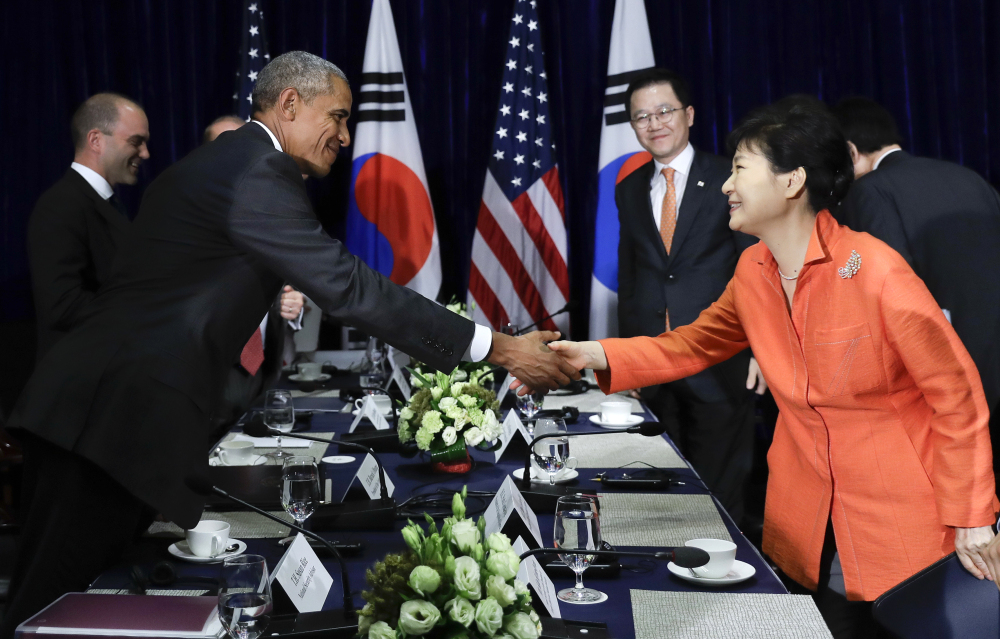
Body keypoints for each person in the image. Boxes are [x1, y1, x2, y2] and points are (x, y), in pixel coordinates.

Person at [1, 51, 578, 635]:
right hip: (102, 423)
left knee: (93, 607)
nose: (346, 137)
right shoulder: (256, 171)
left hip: (119, 422)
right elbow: (349, 287)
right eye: (339, 116)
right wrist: (498, 348)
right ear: (290, 104)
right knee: (46, 608)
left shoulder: (225, 164)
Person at [537, 98, 997, 638]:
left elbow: (957, 395)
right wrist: (596, 354)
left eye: (739, 168)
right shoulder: (753, 268)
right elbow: (692, 344)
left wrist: (972, 515)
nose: (727, 185)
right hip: (807, 510)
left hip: (898, 515)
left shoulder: (875, 269)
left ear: (792, 181)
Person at [615, 68, 761, 523]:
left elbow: (756, 267)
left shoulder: (730, 178)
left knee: (720, 493)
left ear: (689, 114)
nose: (654, 123)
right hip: (655, 366)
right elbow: (632, 277)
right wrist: (627, 358)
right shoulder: (628, 189)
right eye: (642, 116)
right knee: (662, 493)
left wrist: (763, 344)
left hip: (718, 361)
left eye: (664, 111)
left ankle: (731, 585)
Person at [833, 96, 1000, 485]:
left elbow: (890, 282)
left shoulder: (871, 190)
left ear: (850, 151)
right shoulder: (967, 176)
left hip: (947, 362)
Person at [28, 93, 150, 359]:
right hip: (80, 383)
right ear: (95, 140)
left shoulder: (104, 203)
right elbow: (62, 305)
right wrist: (145, 311)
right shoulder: (61, 205)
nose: (145, 153)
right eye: (136, 142)